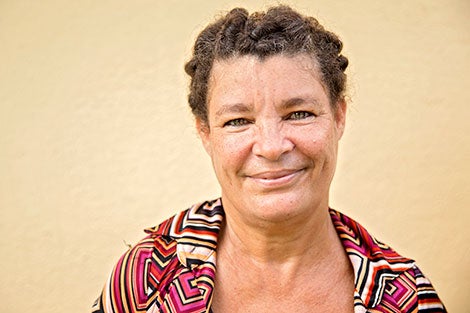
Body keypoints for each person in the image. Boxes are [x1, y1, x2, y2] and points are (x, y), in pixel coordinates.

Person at [92, 5, 446, 313]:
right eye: (238, 121)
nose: (272, 147)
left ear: (339, 117)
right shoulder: (148, 279)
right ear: (205, 133)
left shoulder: (409, 298)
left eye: (300, 114)